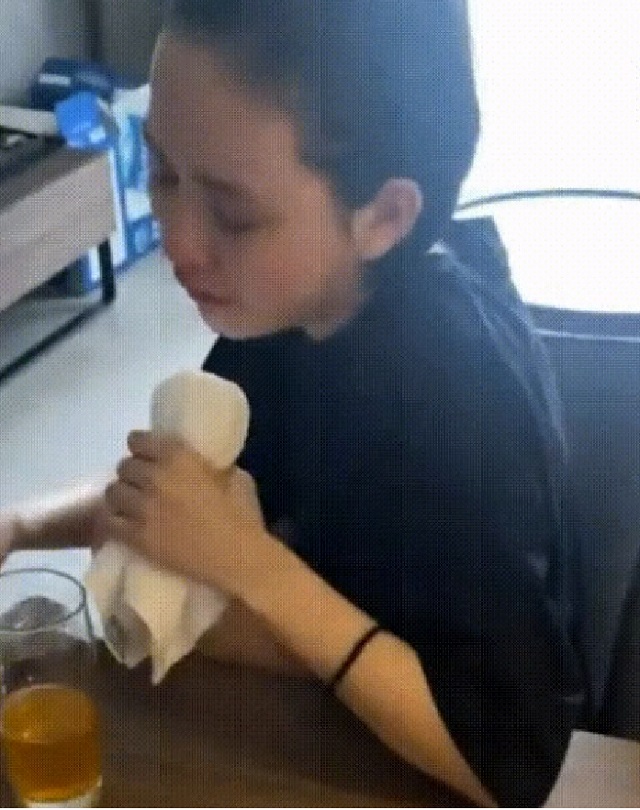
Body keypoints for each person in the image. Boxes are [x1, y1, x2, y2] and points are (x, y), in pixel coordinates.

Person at [0, 1, 585, 805]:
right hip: (311, 710)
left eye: (233, 213)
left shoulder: (461, 407)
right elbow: (182, 489)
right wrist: (20, 526)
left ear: (384, 216)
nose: (176, 240)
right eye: (161, 171)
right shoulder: (289, 309)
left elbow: (512, 764)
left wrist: (249, 564)